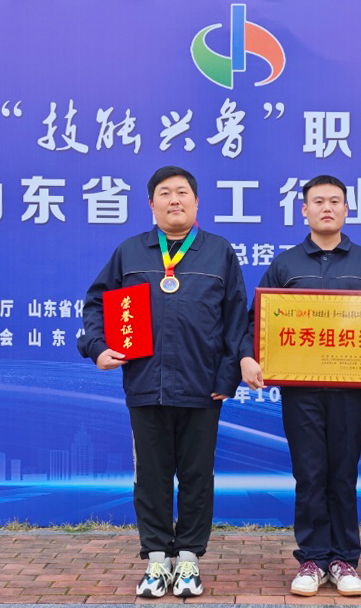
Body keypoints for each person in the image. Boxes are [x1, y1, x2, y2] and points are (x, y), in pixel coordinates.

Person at [239, 175, 361, 597]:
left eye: (335, 201)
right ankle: (313, 559)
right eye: (318, 201)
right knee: (309, 472)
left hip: (348, 391)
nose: (327, 208)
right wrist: (247, 356)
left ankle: (344, 559)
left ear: (346, 210)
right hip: (299, 392)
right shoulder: (285, 265)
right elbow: (255, 322)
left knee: (342, 473)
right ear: (304, 210)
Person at [77, 166, 247, 599]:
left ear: (196, 201)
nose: (175, 200)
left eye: (183, 192)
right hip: (146, 385)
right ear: (151, 204)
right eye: (165, 193)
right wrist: (97, 347)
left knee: (196, 476)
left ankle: (188, 559)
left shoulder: (219, 252)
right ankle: (156, 559)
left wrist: (227, 376)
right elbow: (96, 303)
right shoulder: (130, 252)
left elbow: (236, 320)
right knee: (150, 477)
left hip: (202, 387)